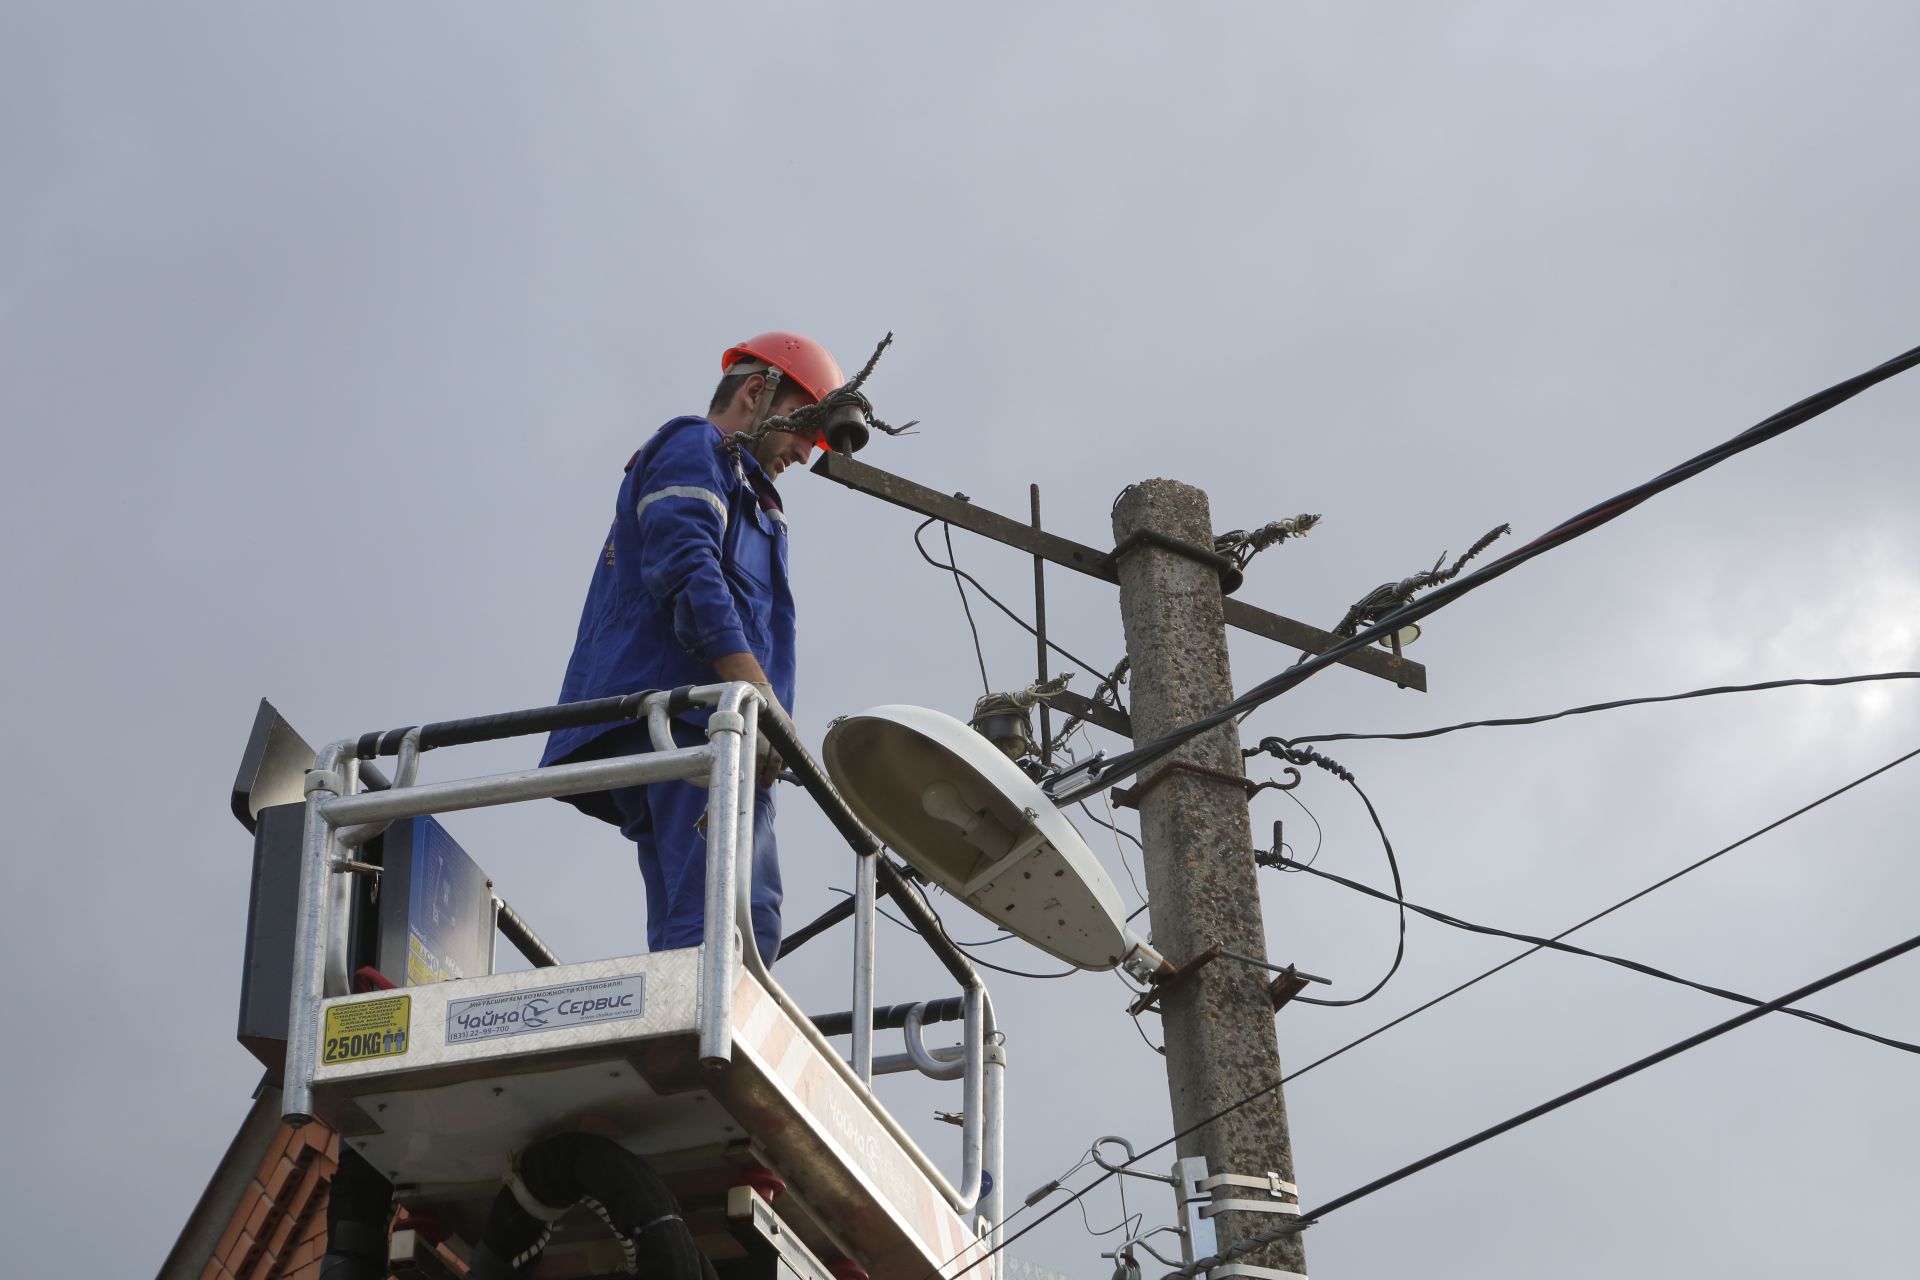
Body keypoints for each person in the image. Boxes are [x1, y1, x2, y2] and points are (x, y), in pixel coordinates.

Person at [541, 331, 845, 966]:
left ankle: (686, 1036)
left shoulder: (754, 496)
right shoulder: (695, 447)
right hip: (686, 720)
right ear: (757, 391)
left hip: (719, 731)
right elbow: (686, 568)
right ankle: (705, 1048)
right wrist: (756, 696)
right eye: (804, 429)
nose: (803, 454)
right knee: (731, 915)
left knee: (714, 916)